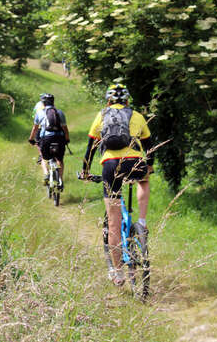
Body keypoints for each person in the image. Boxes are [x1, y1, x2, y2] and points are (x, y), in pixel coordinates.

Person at [79, 83, 154, 286]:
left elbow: (90, 147)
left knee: (113, 223)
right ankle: (143, 221)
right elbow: (150, 146)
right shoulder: (137, 116)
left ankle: (118, 273)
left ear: (108, 101)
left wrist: (85, 171)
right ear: (128, 100)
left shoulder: (101, 115)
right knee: (143, 180)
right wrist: (150, 167)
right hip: (135, 162)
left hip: (111, 165)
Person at [28, 93, 70, 189]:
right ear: (53, 102)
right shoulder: (60, 113)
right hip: (59, 139)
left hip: (46, 139)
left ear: (43, 103)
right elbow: (65, 129)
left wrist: (31, 139)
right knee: (60, 160)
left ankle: (46, 174)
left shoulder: (40, 113)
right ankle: (60, 179)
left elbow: (35, 129)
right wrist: (67, 139)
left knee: (44, 158)